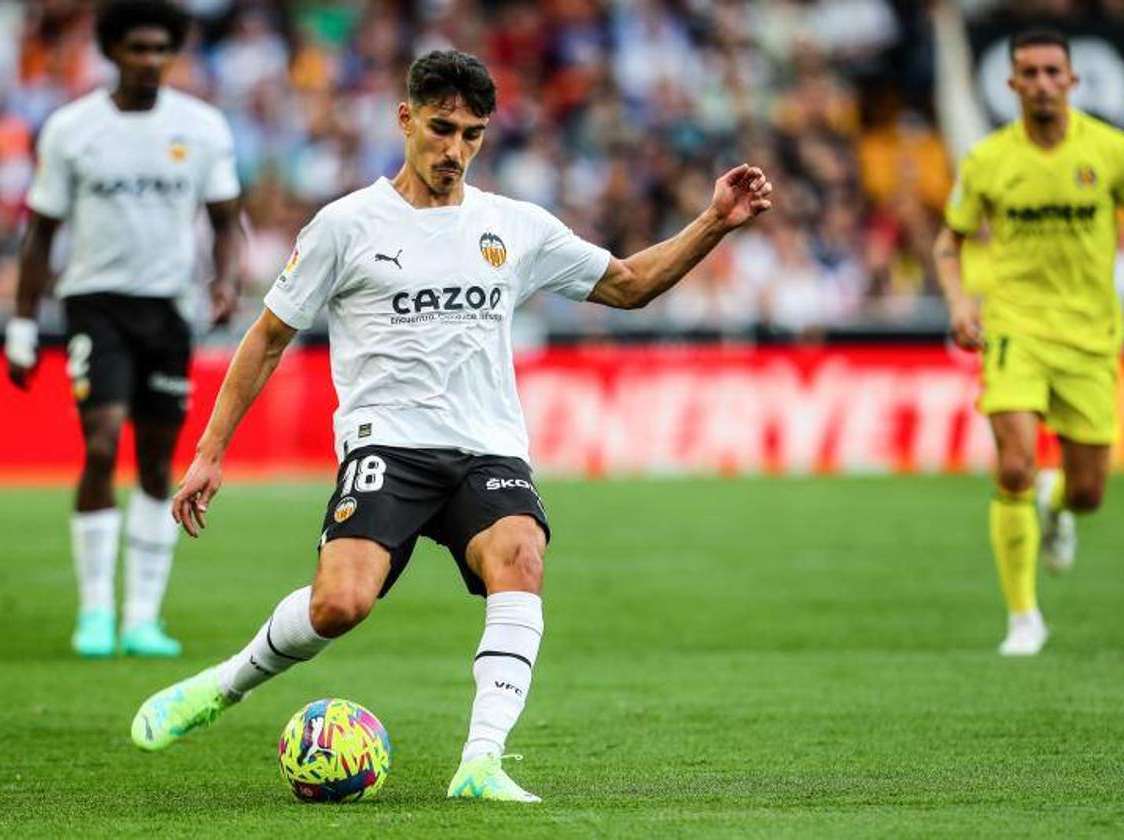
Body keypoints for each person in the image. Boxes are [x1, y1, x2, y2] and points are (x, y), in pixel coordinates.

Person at [129, 49, 772, 801]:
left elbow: (629, 286)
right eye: (441, 129)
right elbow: (268, 335)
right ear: (405, 119)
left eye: (472, 135)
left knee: (522, 556)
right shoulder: (346, 225)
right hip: (387, 446)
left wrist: (714, 223)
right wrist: (210, 453)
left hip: (486, 448)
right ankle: (224, 685)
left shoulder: (514, 226)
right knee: (341, 604)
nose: (455, 150)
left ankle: (482, 761)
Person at [5, 0, 242, 659]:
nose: (149, 60)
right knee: (103, 442)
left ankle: (142, 616)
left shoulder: (200, 127)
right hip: (95, 304)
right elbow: (40, 233)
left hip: (167, 309)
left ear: (173, 52)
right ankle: (94, 613)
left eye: (160, 49)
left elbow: (226, 220)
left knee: (157, 459)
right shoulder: (72, 129)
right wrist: (23, 324)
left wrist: (226, 281)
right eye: (137, 48)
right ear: (112, 51)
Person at [934, 28, 1123, 656]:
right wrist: (962, 302)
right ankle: (1023, 619)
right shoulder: (988, 161)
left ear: (1072, 80)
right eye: (1030, 73)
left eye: (1052, 72)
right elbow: (947, 242)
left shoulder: (1110, 151)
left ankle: (1060, 501)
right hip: (1015, 329)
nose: (1042, 83)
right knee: (1013, 463)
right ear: (1012, 84)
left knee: (1091, 490)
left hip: (1091, 336)